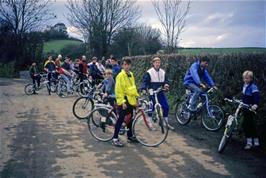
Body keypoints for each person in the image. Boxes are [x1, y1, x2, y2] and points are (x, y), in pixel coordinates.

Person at [141, 57, 174, 130]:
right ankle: (149, 121)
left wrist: (166, 85)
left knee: (166, 106)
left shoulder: (162, 72)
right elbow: (145, 81)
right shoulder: (149, 72)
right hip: (152, 91)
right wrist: (143, 88)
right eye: (156, 62)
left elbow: (166, 81)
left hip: (160, 91)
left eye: (159, 62)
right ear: (153, 63)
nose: (158, 64)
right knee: (151, 107)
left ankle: (165, 122)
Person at [112, 59, 139, 147]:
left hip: (131, 100)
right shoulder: (120, 76)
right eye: (125, 64)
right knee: (120, 119)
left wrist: (136, 99)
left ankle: (129, 136)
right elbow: (118, 90)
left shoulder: (131, 74)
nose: (127, 66)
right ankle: (115, 138)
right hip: (123, 100)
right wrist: (122, 102)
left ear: (130, 66)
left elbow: (133, 88)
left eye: (128, 65)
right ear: (123, 66)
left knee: (130, 118)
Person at [241, 70, 260, 150]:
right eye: (244, 78)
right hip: (244, 107)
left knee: (249, 125)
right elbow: (243, 96)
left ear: (251, 79)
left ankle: (252, 142)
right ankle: (253, 142)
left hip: (251, 108)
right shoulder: (244, 85)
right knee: (247, 124)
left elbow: (256, 96)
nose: (246, 80)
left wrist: (255, 104)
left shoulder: (253, 87)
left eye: (247, 78)